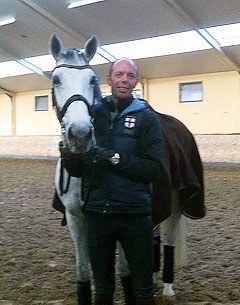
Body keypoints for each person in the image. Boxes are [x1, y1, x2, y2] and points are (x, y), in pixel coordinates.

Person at [82, 57, 165, 305]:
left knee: (143, 291)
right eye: (119, 75)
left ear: (136, 81)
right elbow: (78, 170)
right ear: (109, 79)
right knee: (103, 290)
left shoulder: (146, 118)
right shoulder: (91, 116)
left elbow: (153, 169)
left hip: (135, 215)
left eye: (129, 76)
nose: (124, 80)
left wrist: (114, 157)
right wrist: (70, 154)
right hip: (97, 214)